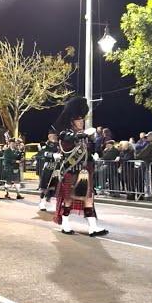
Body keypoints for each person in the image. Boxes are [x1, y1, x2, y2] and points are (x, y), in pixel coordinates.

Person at [52, 97, 107, 236]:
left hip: (85, 172)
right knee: (68, 199)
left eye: (82, 120)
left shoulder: (85, 136)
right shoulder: (65, 133)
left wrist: (94, 152)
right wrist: (83, 135)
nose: (82, 122)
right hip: (71, 171)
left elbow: (90, 151)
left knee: (89, 198)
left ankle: (93, 227)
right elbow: (70, 139)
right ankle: (65, 224)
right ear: (72, 121)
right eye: (79, 120)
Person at [36, 132, 60, 210]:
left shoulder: (60, 144)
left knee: (54, 186)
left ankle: (52, 202)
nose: (55, 136)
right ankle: (42, 203)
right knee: (45, 186)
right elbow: (43, 153)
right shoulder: (45, 145)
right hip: (49, 167)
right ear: (49, 136)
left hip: (57, 168)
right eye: (54, 135)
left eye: (56, 135)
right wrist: (52, 155)